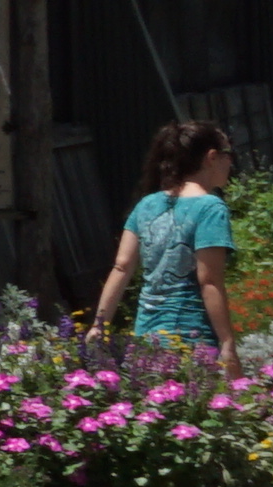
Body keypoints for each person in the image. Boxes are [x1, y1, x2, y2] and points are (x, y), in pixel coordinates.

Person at [93, 119, 239, 347]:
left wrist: (98, 326)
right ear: (211, 157)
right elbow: (209, 281)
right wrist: (228, 342)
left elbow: (121, 267)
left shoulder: (146, 205)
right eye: (227, 154)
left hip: (146, 339)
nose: (231, 162)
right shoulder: (211, 207)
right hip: (192, 338)